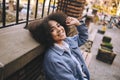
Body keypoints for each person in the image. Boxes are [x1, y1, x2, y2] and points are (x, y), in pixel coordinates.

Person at [28, 12, 90, 80]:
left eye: (58, 25)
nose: (59, 29)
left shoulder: (68, 41)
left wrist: (77, 23)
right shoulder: (54, 59)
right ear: (47, 35)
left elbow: (83, 38)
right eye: (52, 30)